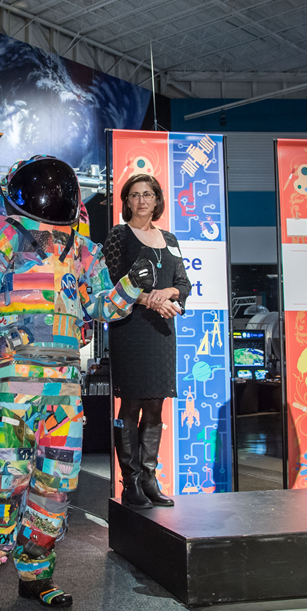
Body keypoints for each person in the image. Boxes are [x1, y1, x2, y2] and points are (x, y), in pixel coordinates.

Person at [0, 155, 155, 611]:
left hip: (63, 389)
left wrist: (130, 286)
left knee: (55, 485)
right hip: (11, 384)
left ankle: (35, 574)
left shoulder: (82, 249)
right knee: (4, 482)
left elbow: (103, 306)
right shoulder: (3, 235)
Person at [102, 173, 191, 508]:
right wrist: (147, 299)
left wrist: (166, 293)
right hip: (131, 328)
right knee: (132, 404)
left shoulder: (169, 238)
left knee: (157, 404)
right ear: (126, 201)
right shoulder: (118, 235)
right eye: (135, 195)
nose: (142, 201)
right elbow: (109, 282)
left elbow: (183, 284)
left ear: (157, 200)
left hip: (162, 330)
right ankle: (131, 482)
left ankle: (150, 478)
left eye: (148, 194)